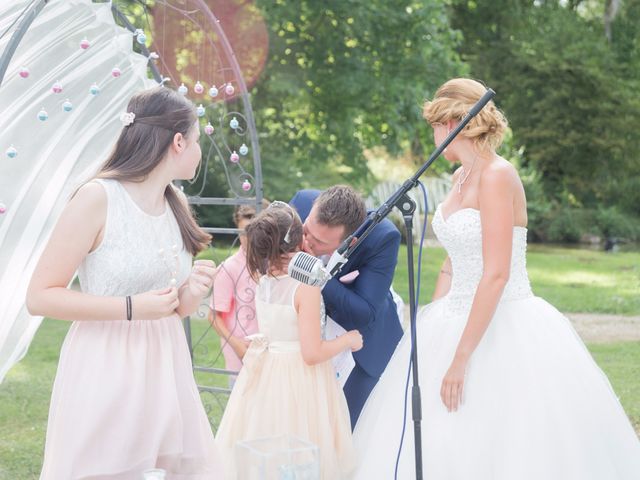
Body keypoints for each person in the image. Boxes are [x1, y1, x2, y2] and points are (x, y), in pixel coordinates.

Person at [352, 78, 640, 479]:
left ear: (456, 122)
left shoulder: (498, 176)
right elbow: (453, 264)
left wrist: (460, 357)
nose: (432, 135)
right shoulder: (459, 179)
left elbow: (497, 273)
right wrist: (431, 322)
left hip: (504, 318)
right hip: (451, 317)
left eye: (435, 124)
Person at [26, 86, 222, 479]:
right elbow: (40, 297)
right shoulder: (97, 198)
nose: (199, 151)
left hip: (166, 364)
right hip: (108, 363)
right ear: (178, 141)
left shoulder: (175, 203)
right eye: (198, 140)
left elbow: (169, 304)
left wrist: (189, 294)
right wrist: (131, 308)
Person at [215, 202, 362, 479]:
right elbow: (312, 353)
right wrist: (349, 341)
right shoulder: (305, 288)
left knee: (266, 440)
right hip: (301, 378)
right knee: (300, 445)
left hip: (268, 373)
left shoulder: (262, 279)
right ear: (298, 240)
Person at [290, 186, 403, 429]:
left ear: (349, 241)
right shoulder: (299, 205)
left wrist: (312, 270)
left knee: (344, 435)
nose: (307, 241)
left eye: (319, 242)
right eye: (307, 230)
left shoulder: (382, 236)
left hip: (361, 350)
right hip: (302, 345)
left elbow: (364, 312)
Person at [209, 201, 268, 388]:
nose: (250, 237)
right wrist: (238, 347)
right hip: (242, 359)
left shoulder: (276, 263)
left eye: (256, 229)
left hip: (274, 356)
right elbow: (213, 317)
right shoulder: (229, 269)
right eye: (245, 231)